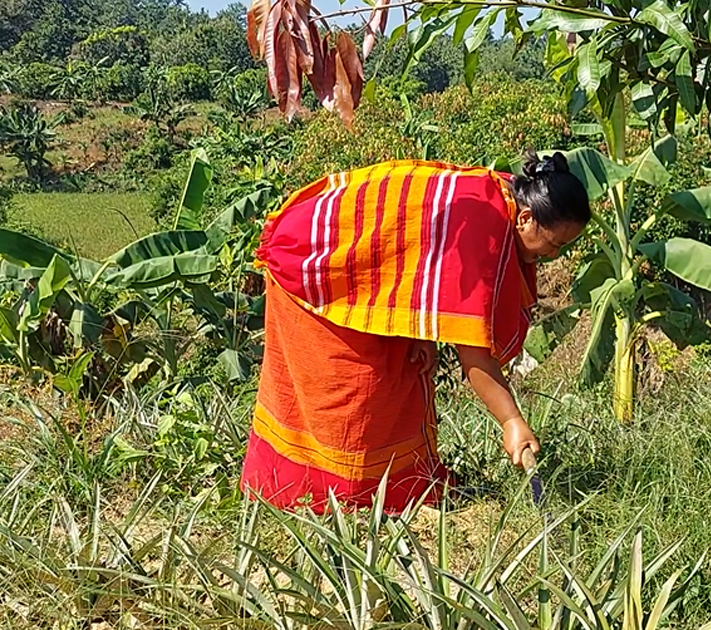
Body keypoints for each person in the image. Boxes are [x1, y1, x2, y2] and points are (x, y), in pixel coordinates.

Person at [240, 151, 590, 513]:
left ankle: (399, 491)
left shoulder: (510, 197)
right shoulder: (483, 229)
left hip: (362, 270)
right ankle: (329, 499)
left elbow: (418, 253)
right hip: (316, 267)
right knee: (356, 390)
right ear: (527, 219)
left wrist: (420, 332)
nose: (553, 256)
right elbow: (473, 352)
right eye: (555, 244)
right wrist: (512, 422)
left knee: (403, 374)